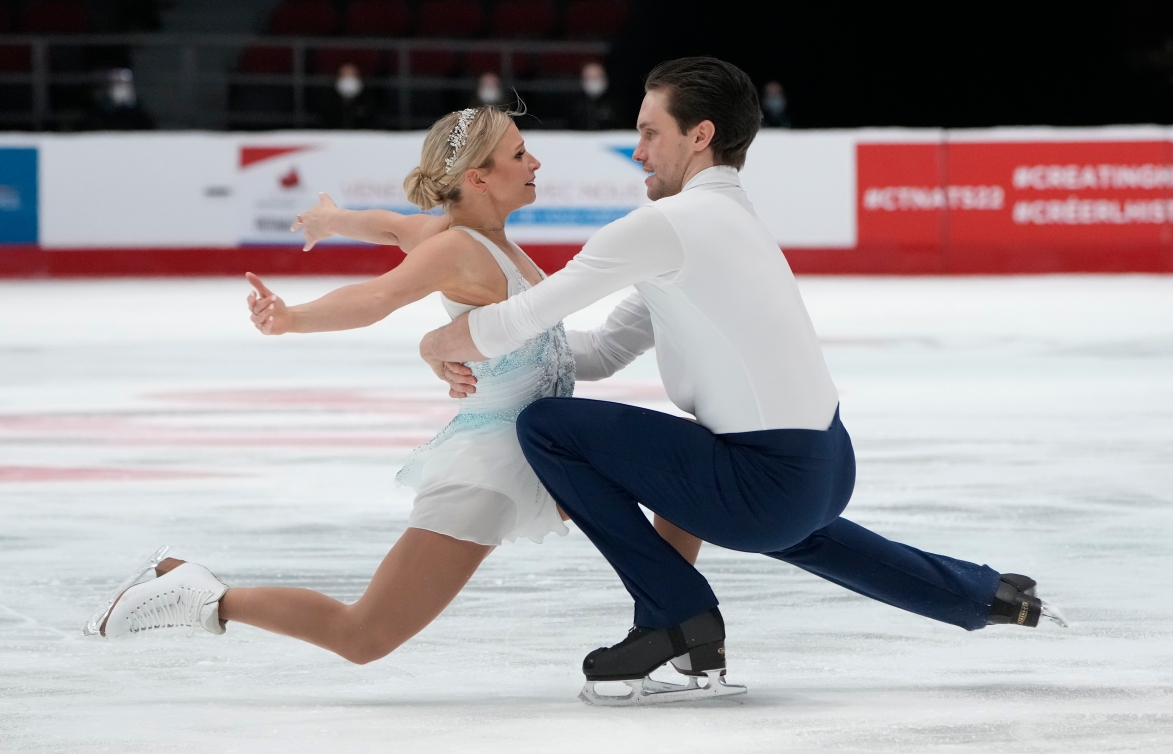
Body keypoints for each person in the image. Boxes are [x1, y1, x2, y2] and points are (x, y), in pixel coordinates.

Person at [419, 57, 1065, 702]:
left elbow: (531, 313)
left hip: (768, 482)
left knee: (549, 429)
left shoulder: (665, 225)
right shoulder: (726, 220)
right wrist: (490, 348)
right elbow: (602, 352)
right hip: (823, 467)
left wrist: (442, 340)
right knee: (765, 511)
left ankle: (676, 617)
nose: (637, 151)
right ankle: (984, 595)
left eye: (649, 133)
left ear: (699, 135)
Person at [84, 105, 702, 665]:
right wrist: (292, 319)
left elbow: (389, 226)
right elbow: (376, 296)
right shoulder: (455, 250)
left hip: (546, 444)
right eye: (518, 153)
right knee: (365, 636)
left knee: (681, 482)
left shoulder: (475, 239)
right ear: (478, 178)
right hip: (494, 464)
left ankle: (678, 625)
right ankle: (205, 595)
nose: (535, 161)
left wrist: (334, 217)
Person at [568, 61, 619, 131]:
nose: (594, 81)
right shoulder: (574, 105)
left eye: (597, 77)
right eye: (590, 77)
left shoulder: (614, 104)